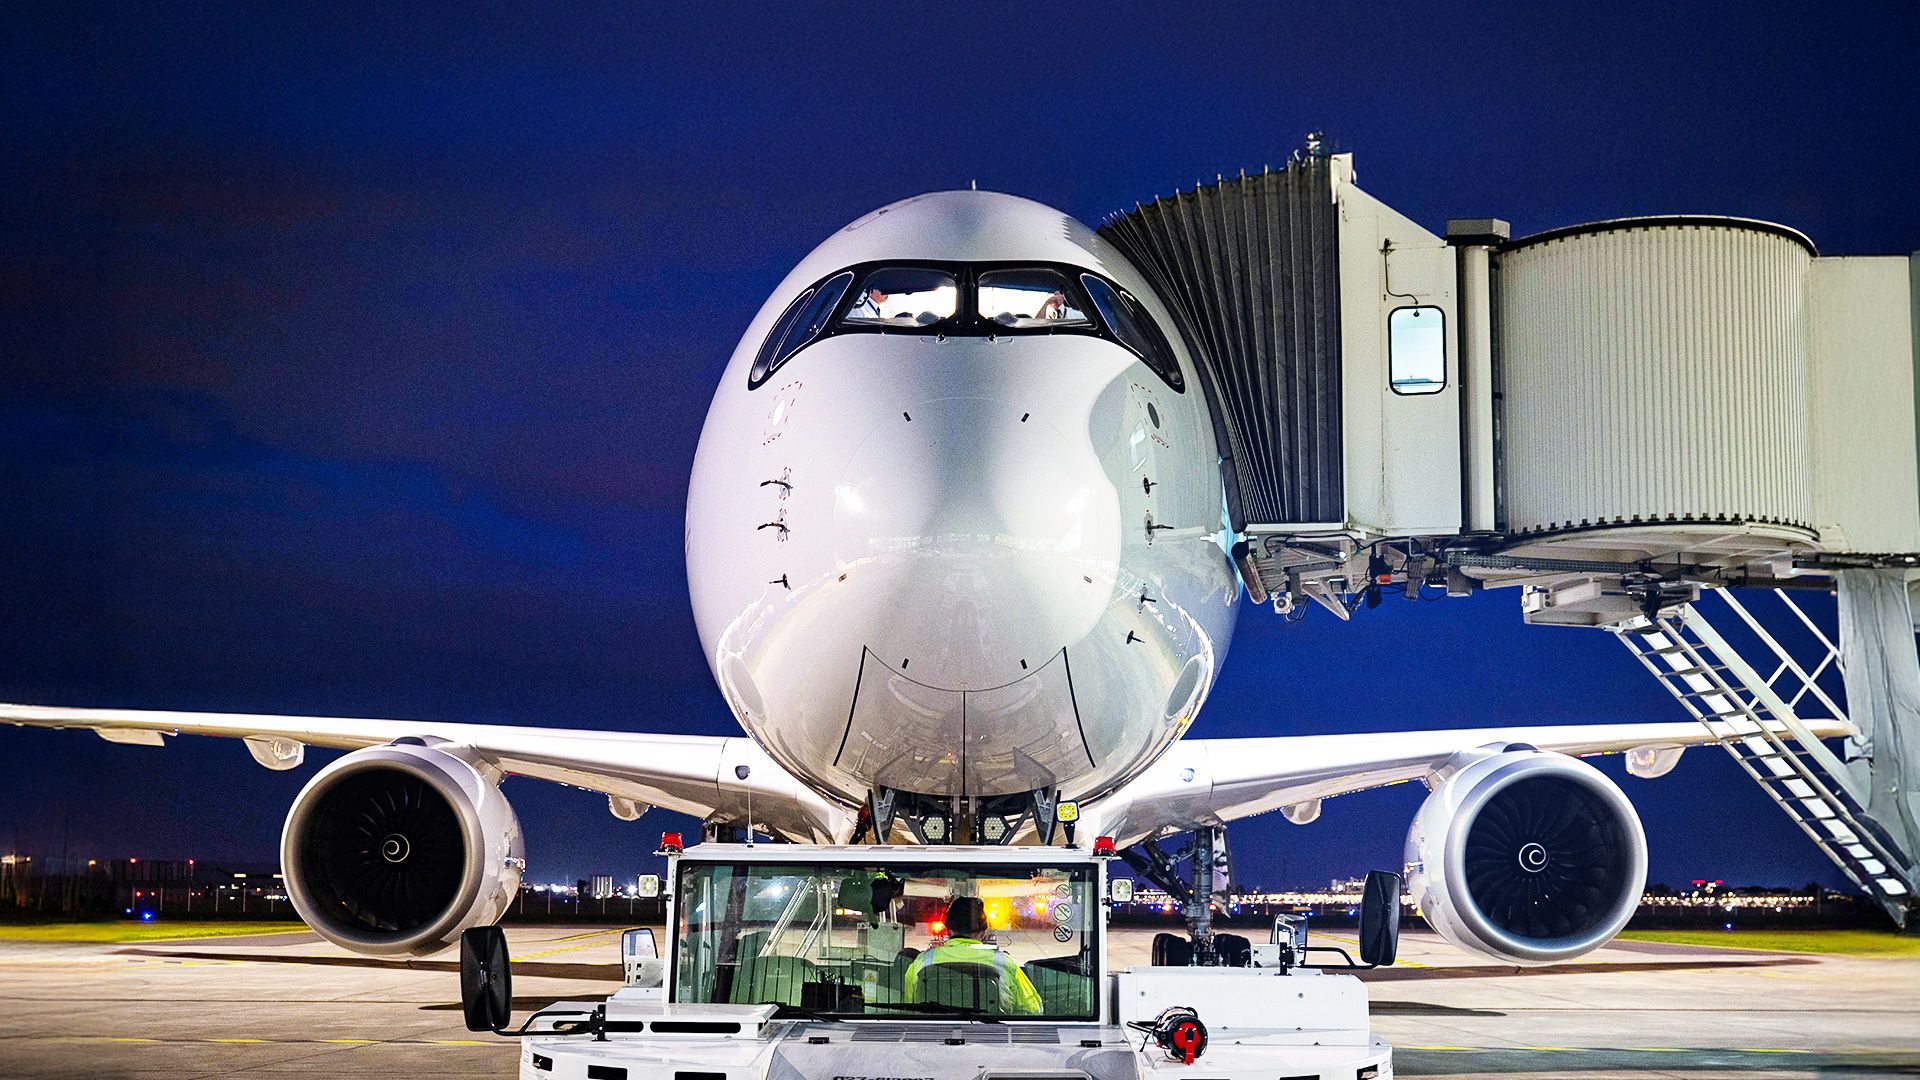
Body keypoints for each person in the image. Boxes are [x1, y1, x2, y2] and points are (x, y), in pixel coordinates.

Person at [902, 897, 1043, 1014]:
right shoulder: (1004, 963)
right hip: (994, 1035)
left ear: (948, 931)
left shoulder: (922, 961)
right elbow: (1034, 1009)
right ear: (983, 934)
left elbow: (908, 1006)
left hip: (933, 1034)